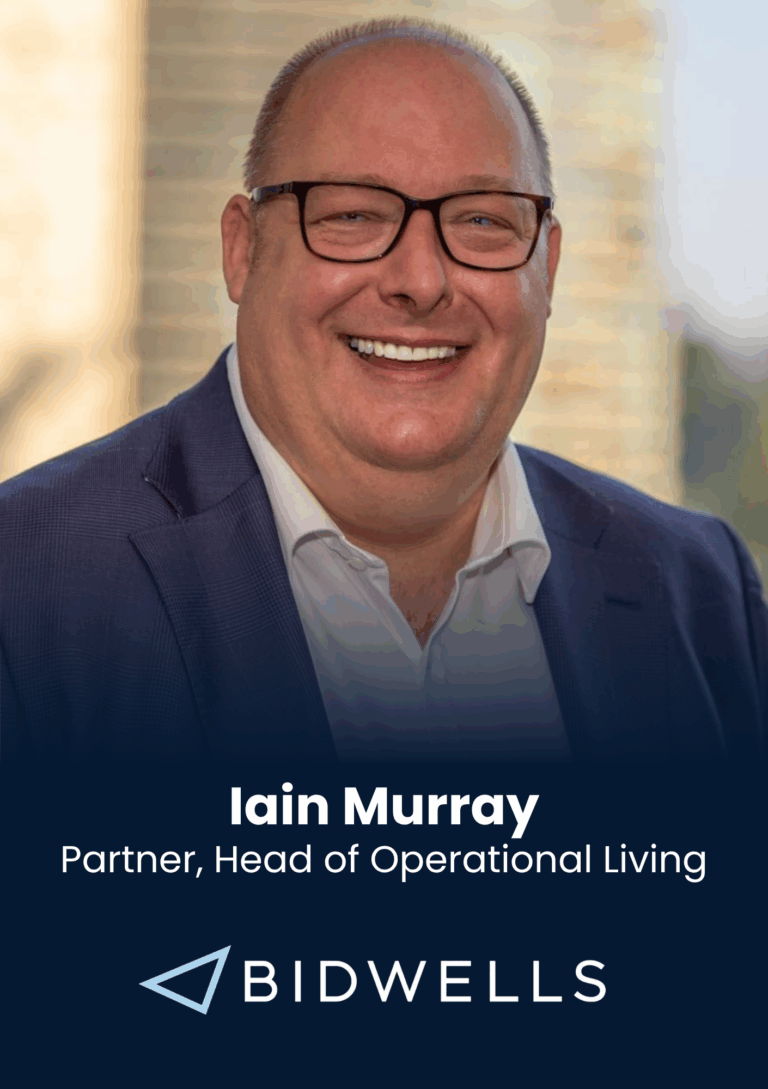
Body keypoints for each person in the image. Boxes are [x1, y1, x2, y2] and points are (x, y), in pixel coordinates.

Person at [1, 19, 765, 762]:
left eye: (480, 221)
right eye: (354, 215)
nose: (421, 280)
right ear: (242, 250)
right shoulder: (26, 587)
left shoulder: (700, 597)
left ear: (548, 268)